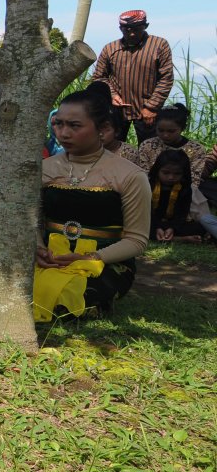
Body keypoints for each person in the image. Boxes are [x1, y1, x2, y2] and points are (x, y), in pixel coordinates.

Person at [35, 83, 151, 321]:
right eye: (59, 123)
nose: (63, 133)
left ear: (104, 128)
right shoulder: (43, 169)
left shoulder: (129, 175)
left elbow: (136, 240)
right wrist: (38, 248)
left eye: (74, 125)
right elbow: (31, 219)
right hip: (50, 258)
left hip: (104, 262)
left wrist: (91, 258)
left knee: (69, 299)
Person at [132, 103, 217, 241]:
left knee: (200, 218)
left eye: (171, 131)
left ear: (182, 128)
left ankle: (171, 230)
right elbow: (145, 175)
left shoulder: (196, 149)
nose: (165, 135)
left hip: (184, 192)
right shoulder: (147, 145)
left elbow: (193, 181)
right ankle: (174, 234)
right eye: (160, 130)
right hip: (152, 190)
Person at [91, 9, 173, 144]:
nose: (132, 33)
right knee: (113, 150)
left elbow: (166, 78)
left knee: (150, 151)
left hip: (146, 111)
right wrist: (112, 95)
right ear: (120, 28)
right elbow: (99, 77)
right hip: (117, 111)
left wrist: (152, 107)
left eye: (137, 29)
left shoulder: (159, 45)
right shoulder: (110, 48)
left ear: (146, 26)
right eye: (127, 29)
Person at [148, 149, 207, 243]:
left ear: (184, 173)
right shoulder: (149, 185)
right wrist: (157, 227)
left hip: (172, 224)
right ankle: (180, 239)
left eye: (177, 174)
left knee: (200, 227)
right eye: (166, 173)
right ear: (157, 170)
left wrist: (172, 228)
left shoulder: (185, 188)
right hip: (151, 222)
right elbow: (146, 211)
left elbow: (182, 214)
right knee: (138, 227)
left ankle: (167, 236)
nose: (171, 177)